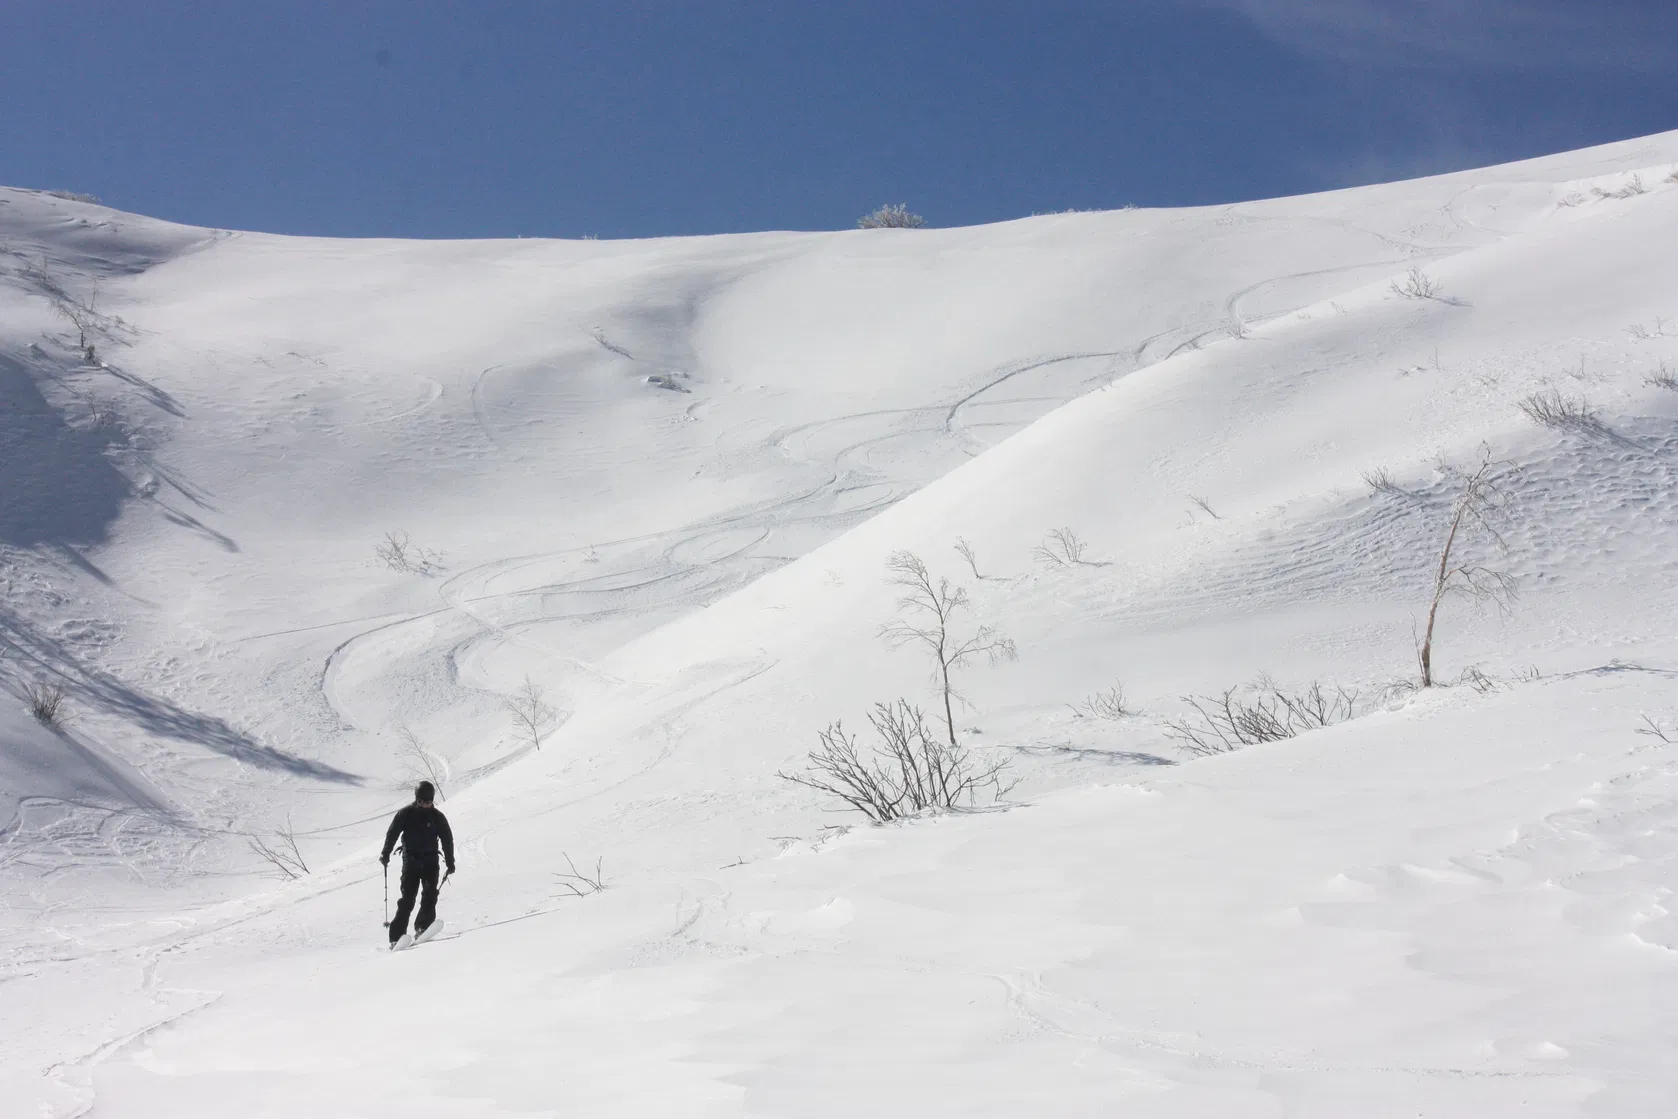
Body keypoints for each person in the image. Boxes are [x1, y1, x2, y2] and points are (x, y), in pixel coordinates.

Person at [380, 781, 455, 948]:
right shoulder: (405, 814)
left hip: (430, 861)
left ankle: (423, 927)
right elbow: (392, 833)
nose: (425, 804)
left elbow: (447, 840)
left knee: (430, 895)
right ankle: (396, 937)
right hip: (411, 862)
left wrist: (450, 861)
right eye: (422, 801)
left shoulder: (438, 817)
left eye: (428, 801)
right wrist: (385, 853)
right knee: (407, 900)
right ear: (416, 799)